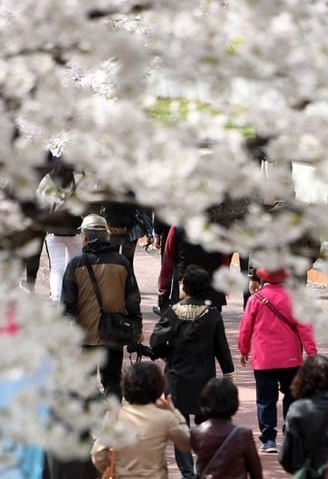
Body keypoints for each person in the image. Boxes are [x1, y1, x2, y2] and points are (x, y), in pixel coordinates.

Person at [149, 265, 235, 479]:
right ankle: (202, 468)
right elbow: (221, 348)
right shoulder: (212, 313)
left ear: (187, 286)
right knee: (205, 425)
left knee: (180, 427)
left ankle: (187, 474)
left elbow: (156, 340)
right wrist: (229, 373)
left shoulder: (174, 311)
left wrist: (166, 354)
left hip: (177, 379)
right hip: (205, 379)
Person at [237, 267, 317, 453]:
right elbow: (305, 328)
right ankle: (290, 433)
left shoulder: (254, 300)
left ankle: (268, 439)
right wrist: (312, 353)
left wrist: (243, 349)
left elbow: (245, 327)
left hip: (264, 359)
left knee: (265, 399)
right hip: (291, 358)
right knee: (292, 396)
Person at [62, 213, 142, 400]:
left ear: (85, 237)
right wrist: (136, 328)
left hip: (85, 334)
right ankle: (111, 421)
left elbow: (67, 305)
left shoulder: (76, 264)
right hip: (114, 332)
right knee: (113, 381)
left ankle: (89, 423)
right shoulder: (121, 262)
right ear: (107, 236)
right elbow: (133, 299)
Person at [36, 158, 83, 302]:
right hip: (74, 228)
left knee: (57, 267)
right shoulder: (79, 178)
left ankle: (56, 297)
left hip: (54, 229)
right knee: (76, 265)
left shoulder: (49, 179)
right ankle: (74, 296)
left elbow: (39, 201)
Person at [157, 225, 230, 314]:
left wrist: (163, 286)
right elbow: (223, 259)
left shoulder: (177, 227)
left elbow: (168, 259)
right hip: (210, 286)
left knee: (182, 323)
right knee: (211, 322)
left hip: (185, 285)